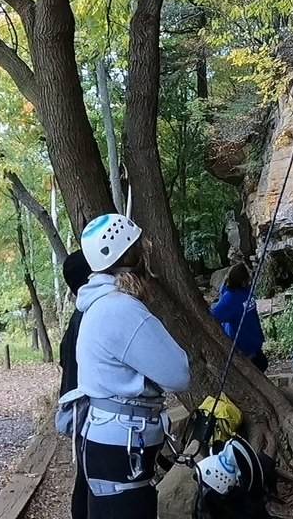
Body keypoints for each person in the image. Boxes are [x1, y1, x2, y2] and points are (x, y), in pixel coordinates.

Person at [70, 213, 191, 519]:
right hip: (121, 449)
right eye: (141, 249)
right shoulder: (121, 309)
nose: (147, 255)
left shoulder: (98, 305)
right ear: (130, 258)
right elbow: (179, 374)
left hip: (109, 443)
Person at [58, 250, 92, 519]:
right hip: (87, 409)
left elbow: (63, 359)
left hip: (76, 407)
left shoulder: (77, 318)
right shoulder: (89, 317)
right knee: (89, 479)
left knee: (85, 475)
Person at [210, 262, 268, 372]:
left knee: (262, 364)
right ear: (242, 281)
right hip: (245, 345)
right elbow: (214, 315)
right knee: (260, 366)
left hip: (250, 342)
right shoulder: (233, 298)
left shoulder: (237, 294)